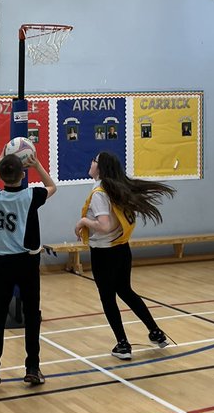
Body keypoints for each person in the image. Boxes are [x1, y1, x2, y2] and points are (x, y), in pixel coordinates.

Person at [74, 151, 175, 359]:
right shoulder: (115, 188)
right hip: (122, 250)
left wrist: (84, 222)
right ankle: (155, 332)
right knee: (126, 291)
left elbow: (104, 225)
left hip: (105, 253)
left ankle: (123, 345)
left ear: (100, 167)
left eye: (93, 160)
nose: (90, 163)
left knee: (108, 298)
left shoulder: (101, 192)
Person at [0, 148, 56, 389]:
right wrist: (37, 164)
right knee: (33, 315)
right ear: (23, 175)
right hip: (26, 263)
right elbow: (52, 186)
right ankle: (32, 367)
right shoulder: (29, 196)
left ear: (2, 177)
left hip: (2, 264)